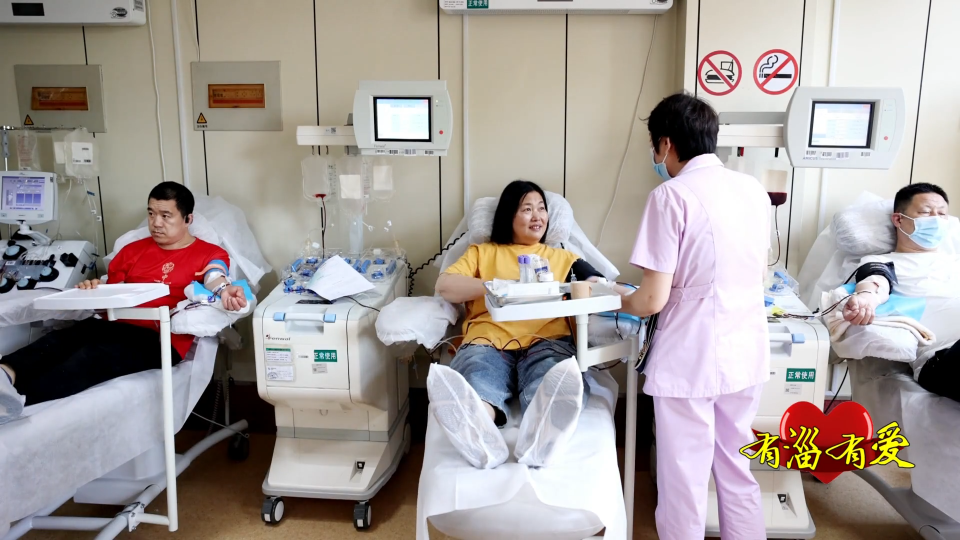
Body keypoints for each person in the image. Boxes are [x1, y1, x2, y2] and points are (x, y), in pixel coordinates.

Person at [618, 92, 771, 540]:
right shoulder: (752, 189)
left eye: (654, 146)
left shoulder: (671, 195)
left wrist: (614, 298)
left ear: (665, 143)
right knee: (737, 467)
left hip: (691, 357)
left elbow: (651, 300)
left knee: (684, 479)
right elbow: (758, 270)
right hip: (745, 350)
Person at [0, 182, 248, 424]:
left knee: (89, 358)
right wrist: (93, 289)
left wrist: (224, 290)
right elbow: (110, 293)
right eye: (151, 214)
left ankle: (18, 401)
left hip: (160, 337)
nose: (156, 223)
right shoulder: (132, 251)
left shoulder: (209, 253)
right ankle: (4, 375)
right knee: (58, 341)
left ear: (188, 219)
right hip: (114, 325)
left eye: (165, 216)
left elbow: (215, 276)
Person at [427, 180, 626, 470]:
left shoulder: (563, 258)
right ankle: (478, 422)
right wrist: (498, 286)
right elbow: (446, 286)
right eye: (527, 209)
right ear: (508, 215)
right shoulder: (482, 252)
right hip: (488, 341)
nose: (538, 216)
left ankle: (543, 428)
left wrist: (633, 295)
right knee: (480, 375)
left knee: (551, 377)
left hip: (547, 341)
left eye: (542, 208)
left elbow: (599, 283)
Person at [842, 182, 960, 402]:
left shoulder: (955, 261)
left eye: (942, 214)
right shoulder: (883, 262)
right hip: (942, 359)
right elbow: (875, 280)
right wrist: (867, 299)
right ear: (898, 220)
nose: (936, 219)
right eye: (926, 212)